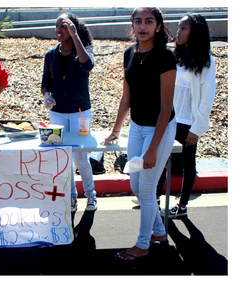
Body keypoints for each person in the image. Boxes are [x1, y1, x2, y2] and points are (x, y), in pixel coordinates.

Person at [105, 7, 176, 261]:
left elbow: (166, 107)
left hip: (161, 127)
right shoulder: (129, 54)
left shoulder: (165, 57)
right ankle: (158, 231)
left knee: (146, 190)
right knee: (135, 184)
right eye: (138, 22)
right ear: (132, 25)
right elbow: (127, 96)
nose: (142, 26)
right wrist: (115, 130)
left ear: (158, 25)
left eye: (148, 21)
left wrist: (154, 148)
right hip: (136, 126)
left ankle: (143, 244)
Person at [152, 14, 216, 219]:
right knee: (162, 160)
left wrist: (197, 129)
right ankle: (154, 201)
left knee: (188, 164)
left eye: (184, 29)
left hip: (188, 123)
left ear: (195, 32)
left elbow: (207, 98)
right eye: (179, 28)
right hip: (170, 118)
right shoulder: (176, 56)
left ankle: (182, 205)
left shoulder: (205, 60)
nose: (178, 32)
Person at [41, 12, 98, 212]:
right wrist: (47, 96)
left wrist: (75, 36)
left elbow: (87, 65)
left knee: (80, 157)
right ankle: (72, 195)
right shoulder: (50, 55)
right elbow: (45, 83)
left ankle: (91, 195)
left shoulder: (83, 50)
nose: (59, 29)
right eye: (57, 25)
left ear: (73, 27)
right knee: (63, 155)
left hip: (80, 112)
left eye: (64, 25)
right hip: (57, 113)